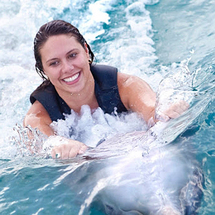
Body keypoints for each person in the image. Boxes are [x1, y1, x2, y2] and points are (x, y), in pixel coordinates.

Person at [24, 20, 188, 159]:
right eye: (54, 63)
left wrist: (167, 111)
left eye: (72, 55)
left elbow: (153, 111)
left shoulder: (127, 86)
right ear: (43, 70)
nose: (67, 68)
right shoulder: (37, 116)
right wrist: (59, 146)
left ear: (86, 51)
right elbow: (43, 144)